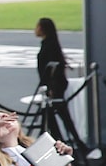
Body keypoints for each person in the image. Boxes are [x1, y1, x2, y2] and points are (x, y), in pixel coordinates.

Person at [35, 18, 85, 152]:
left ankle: (66, 142)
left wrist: (51, 87)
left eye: (38, 26)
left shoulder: (49, 46)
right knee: (57, 116)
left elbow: (54, 69)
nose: (36, 29)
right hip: (53, 86)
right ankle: (62, 140)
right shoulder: (49, 43)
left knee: (61, 115)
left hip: (54, 87)